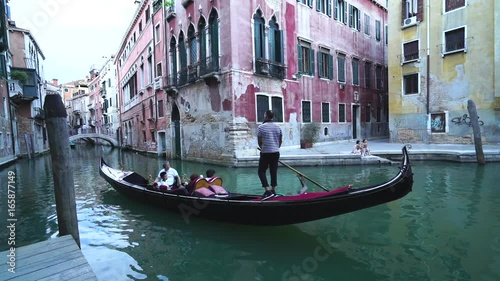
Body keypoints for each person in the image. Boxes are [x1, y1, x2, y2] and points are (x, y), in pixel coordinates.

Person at [257, 110, 283, 198]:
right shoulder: (278, 127)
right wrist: (276, 147)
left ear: (266, 116)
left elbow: (260, 141)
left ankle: (267, 190)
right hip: (275, 152)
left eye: (264, 114)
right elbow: (280, 140)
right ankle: (273, 189)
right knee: (273, 171)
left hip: (265, 152)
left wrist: (262, 148)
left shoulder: (261, 127)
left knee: (261, 171)